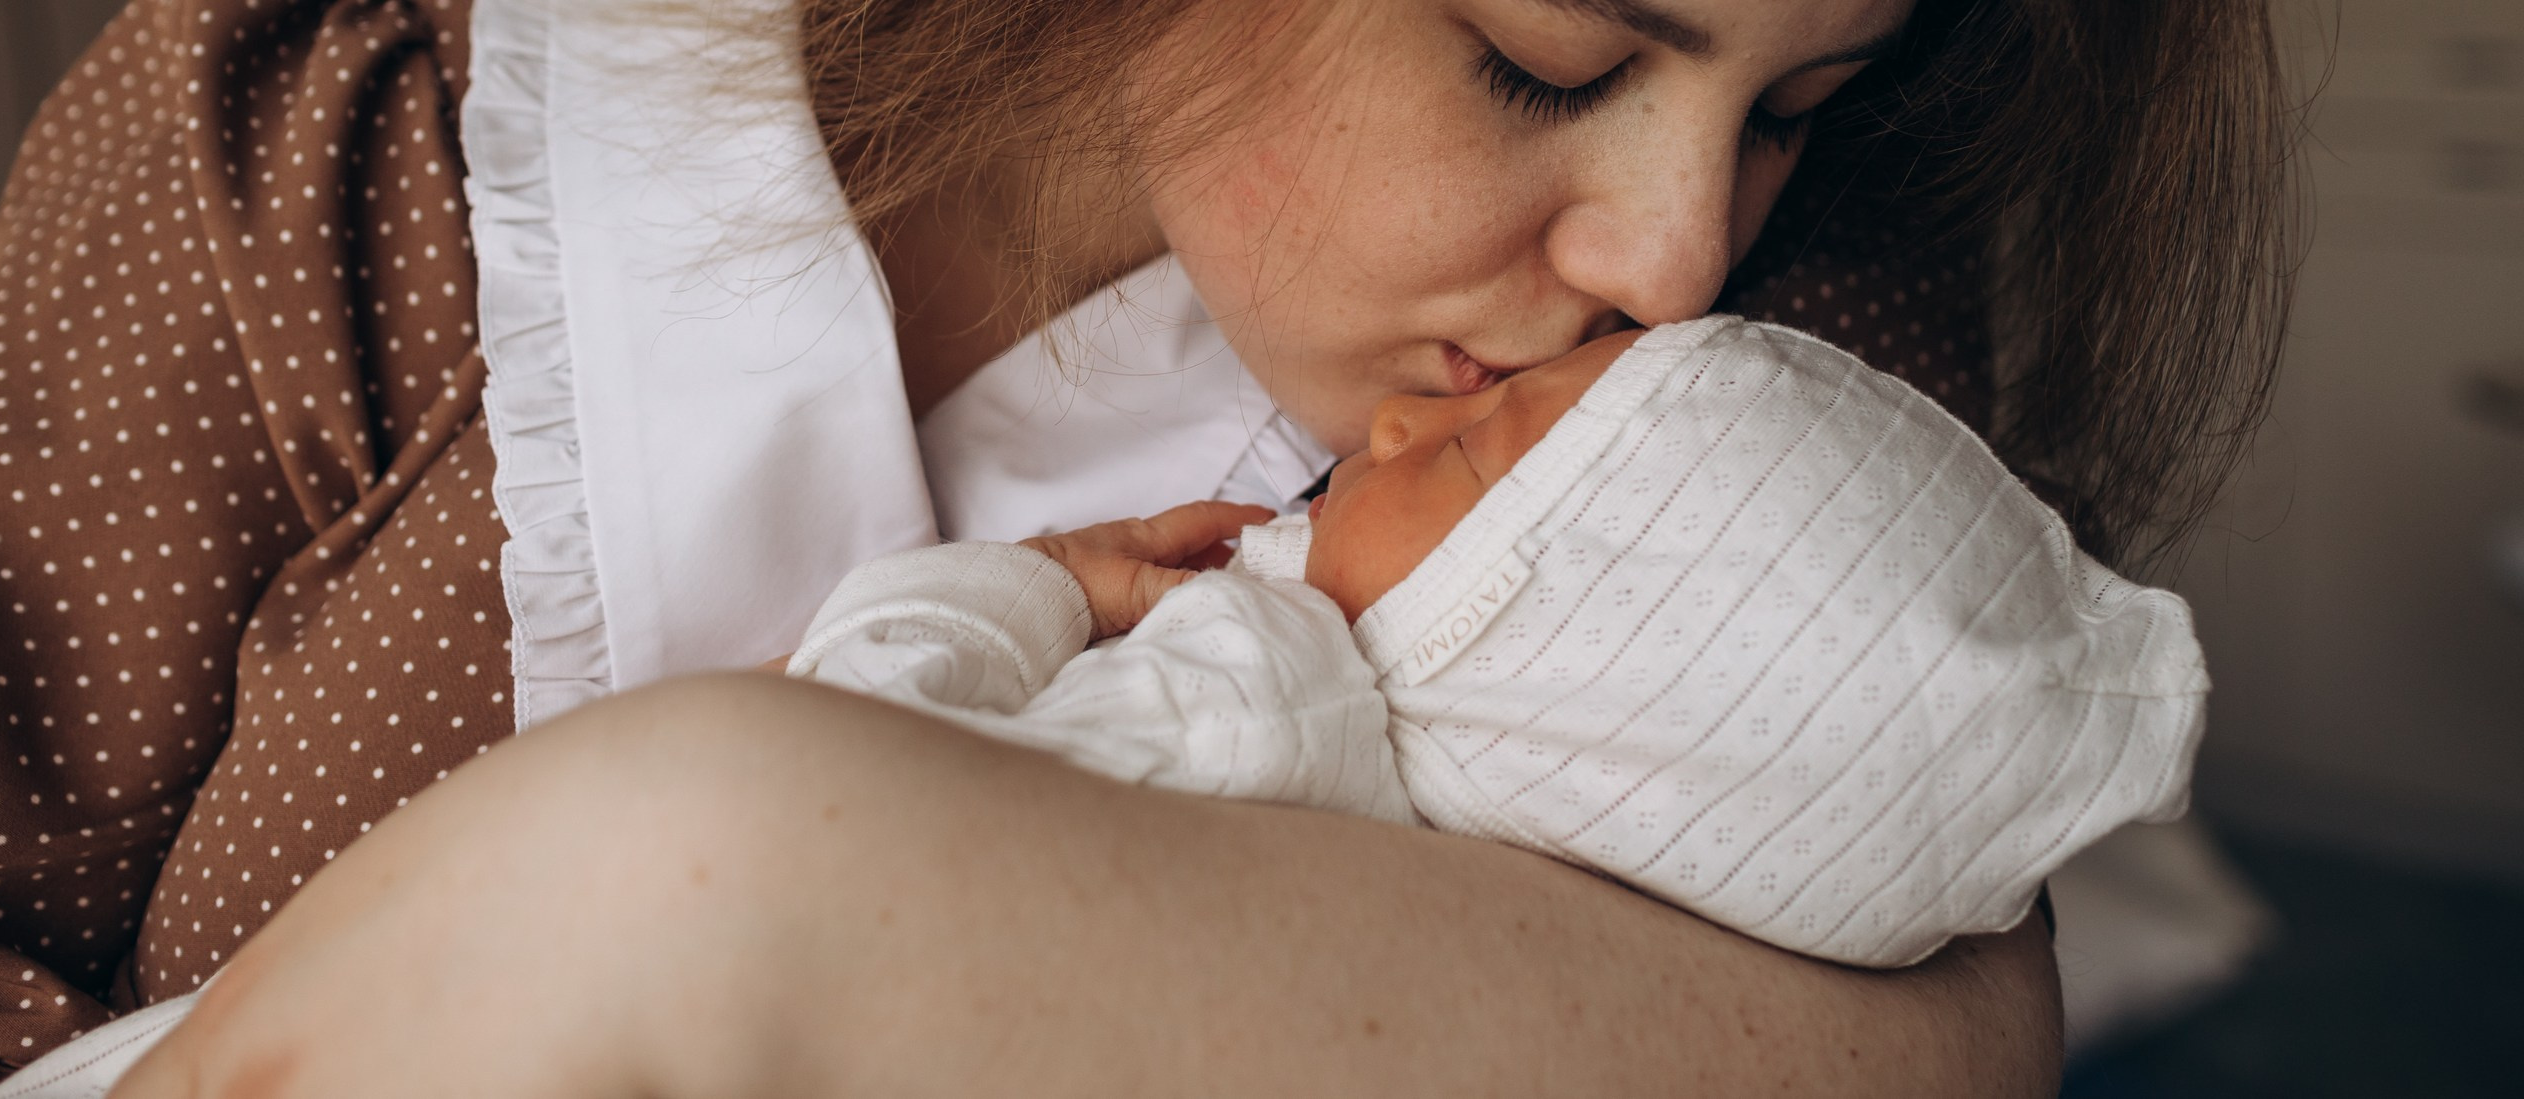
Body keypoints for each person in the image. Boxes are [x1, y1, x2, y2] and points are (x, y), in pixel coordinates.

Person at [0, 0, 2289, 1092]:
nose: (1674, 255)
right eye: (1541, 60)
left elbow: (1943, 1027)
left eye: (1794, 107)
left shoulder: (1751, 351)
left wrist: (743, 880)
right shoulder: (311, 184)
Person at [787, 317, 2206, 970]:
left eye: (1471, 457)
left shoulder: (1250, 707)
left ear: (1530, 655)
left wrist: (1034, 589)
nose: (1398, 424)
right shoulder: (1464, 869)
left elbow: (837, 777)